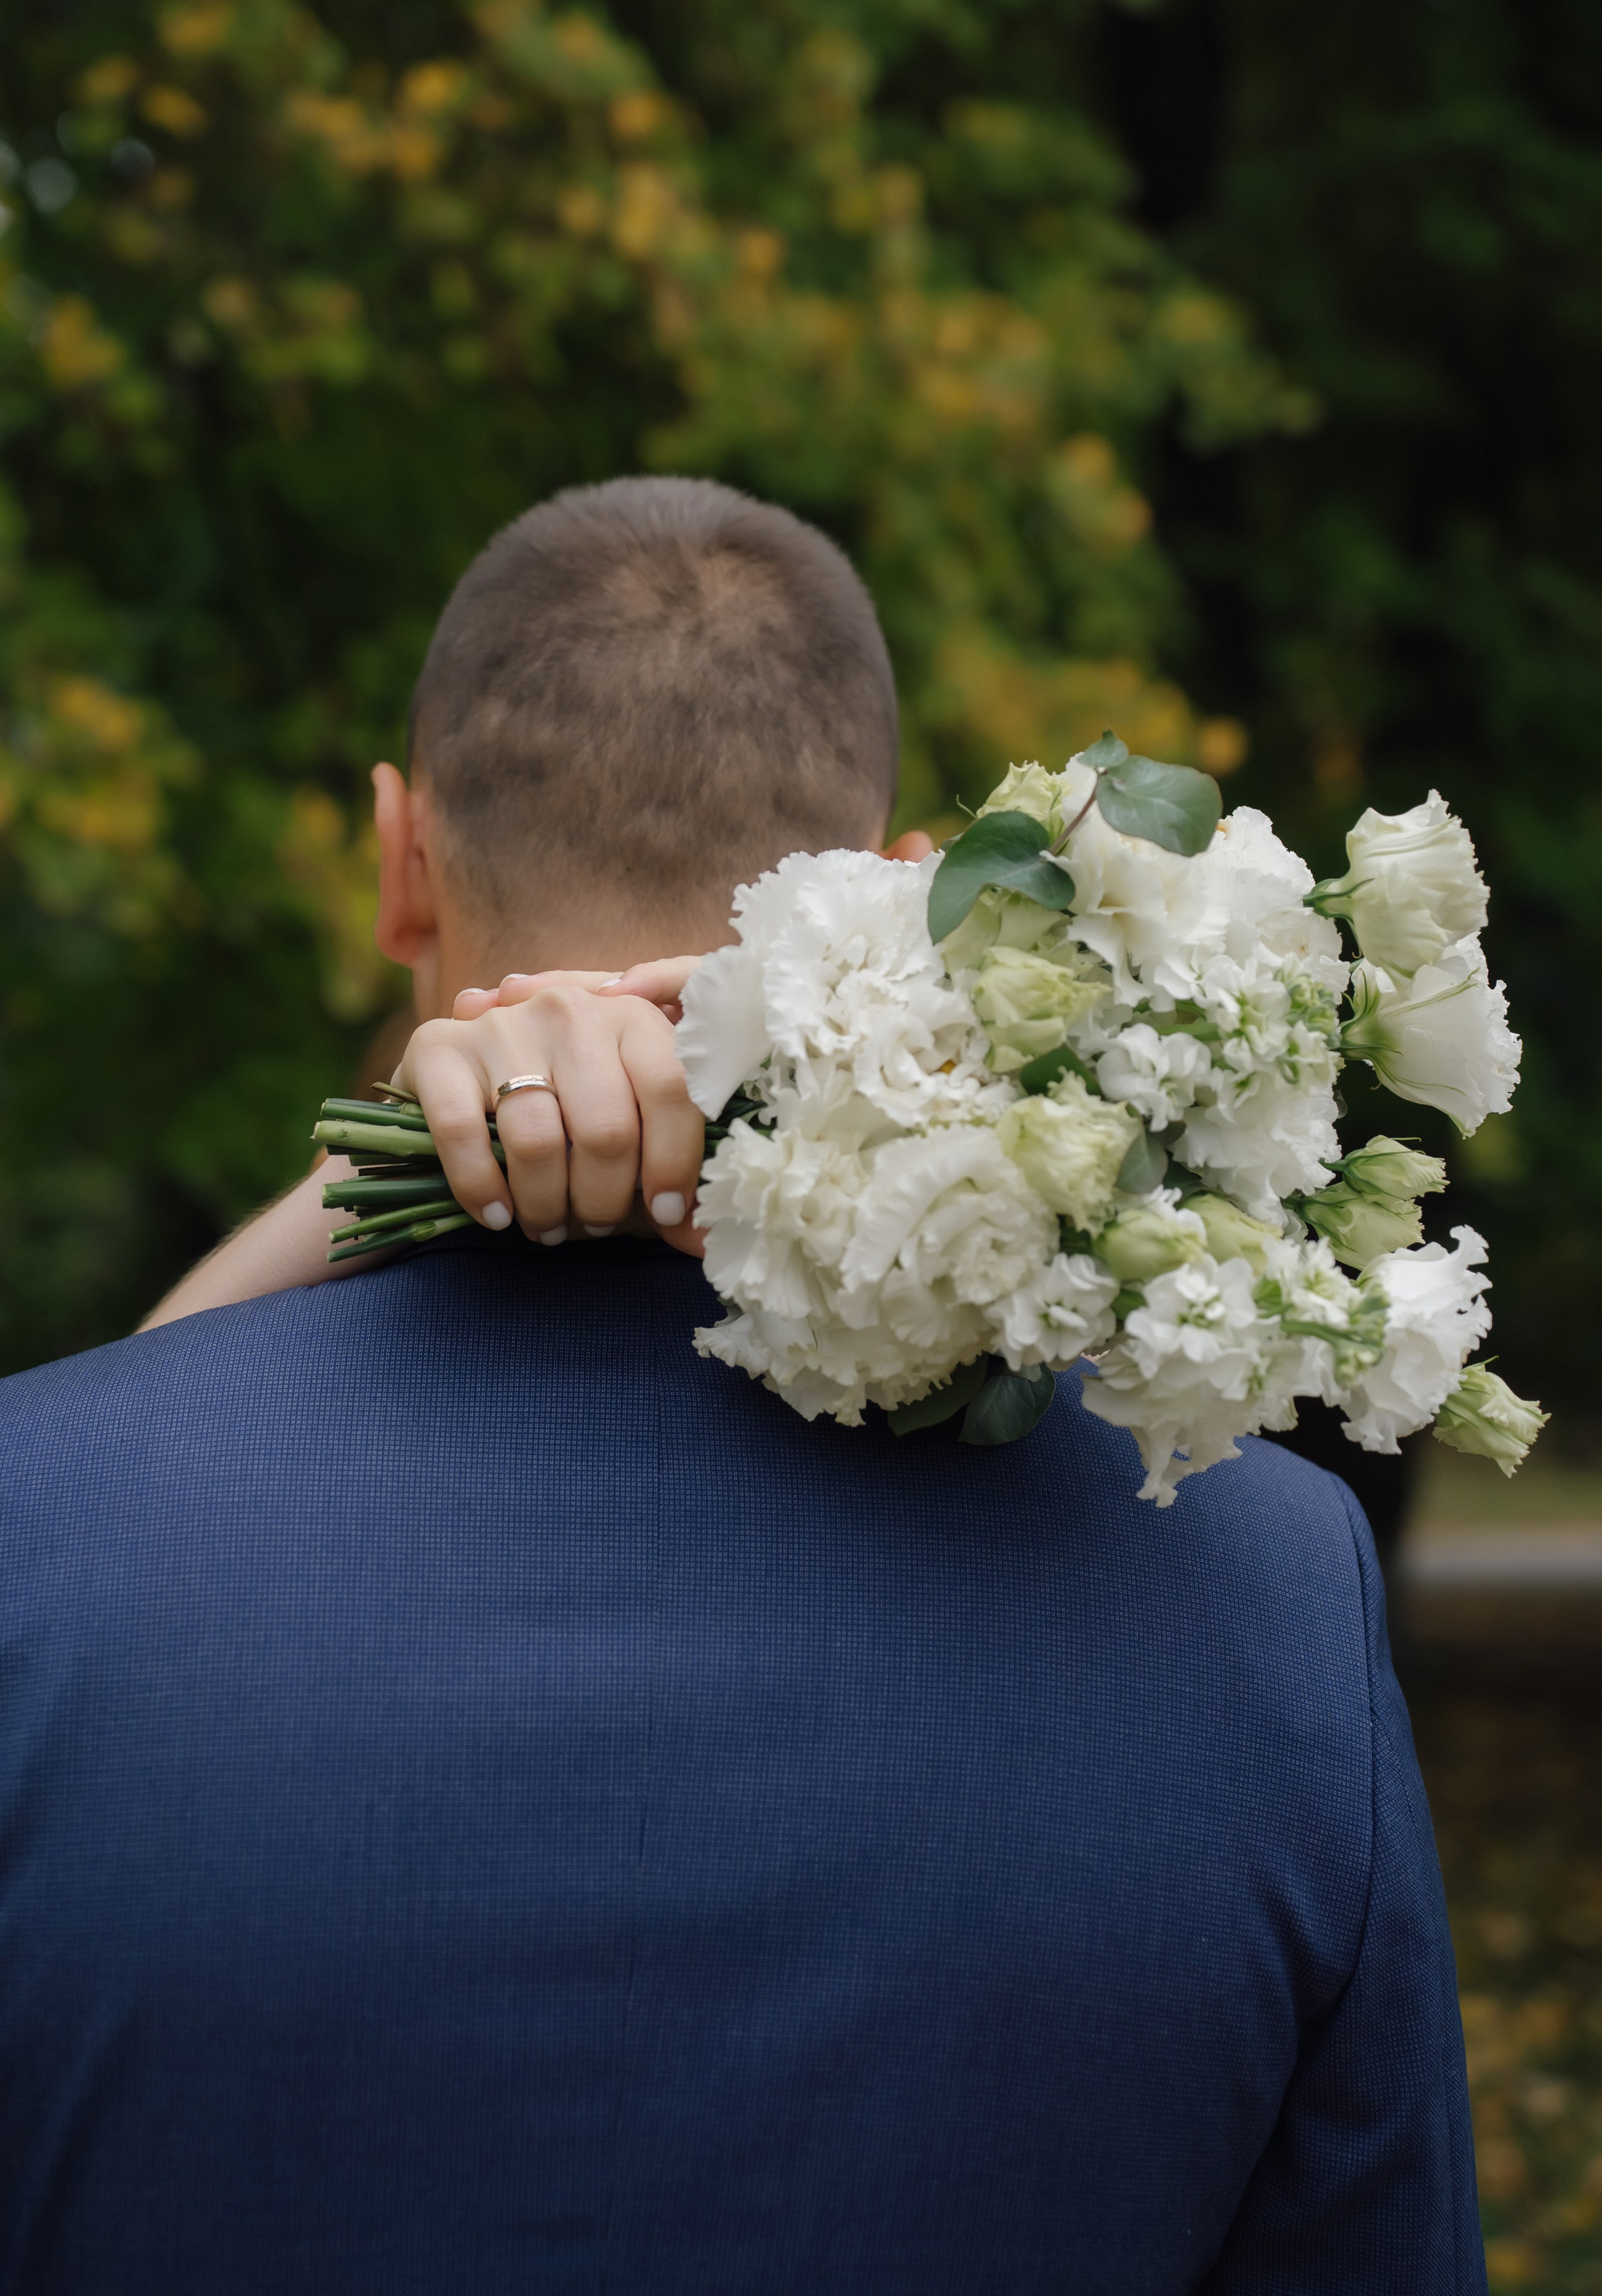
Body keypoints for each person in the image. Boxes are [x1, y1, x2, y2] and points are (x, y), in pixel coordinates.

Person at [0, 477, 1485, 2293]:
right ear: (904, 892)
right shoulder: (1264, 1589)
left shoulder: (42, 1540)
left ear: (398, 860)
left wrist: (390, 1152)